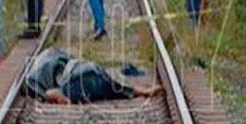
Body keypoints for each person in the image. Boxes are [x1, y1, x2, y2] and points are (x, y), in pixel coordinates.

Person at [23, 48, 161, 104]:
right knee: (112, 88)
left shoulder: (32, 79)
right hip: (94, 72)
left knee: (59, 92)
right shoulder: (50, 56)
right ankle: (137, 90)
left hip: (77, 82)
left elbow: (47, 92)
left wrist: (59, 96)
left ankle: (137, 91)